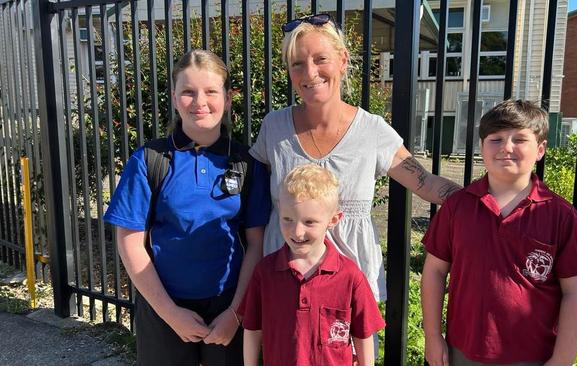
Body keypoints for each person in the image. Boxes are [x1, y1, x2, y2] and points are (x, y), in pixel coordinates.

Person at [250, 13, 461, 303]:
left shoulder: (371, 131)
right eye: (297, 63)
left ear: (343, 60)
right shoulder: (274, 128)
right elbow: (250, 194)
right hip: (285, 282)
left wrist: (484, 202)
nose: (309, 73)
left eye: (320, 59)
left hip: (350, 291)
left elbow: (425, 183)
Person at [103, 49, 271, 365]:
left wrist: (236, 313)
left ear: (228, 97)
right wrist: (171, 314)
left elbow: (256, 244)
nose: (199, 102)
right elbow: (129, 242)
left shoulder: (247, 163)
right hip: (163, 307)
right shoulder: (149, 160)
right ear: (176, 97)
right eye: (188, 92)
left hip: (228, 306)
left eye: (210, 91)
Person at [420, 99, 577, 366]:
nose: (506, 148)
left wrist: (562, 359)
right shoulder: (457, 207)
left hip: (533, 356)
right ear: (482, 147)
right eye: (495, 139)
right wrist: (433, 337)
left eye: (519, 139)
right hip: (463, 351)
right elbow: (434, 272)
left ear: (540, 149)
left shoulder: (559, 215)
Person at [239, 164, 385, 366]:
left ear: (333, 220)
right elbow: (252, 328)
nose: (297, 231)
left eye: (309, 222)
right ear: (279, 212)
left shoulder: (350, 276)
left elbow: (363, 335)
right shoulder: (265, 273)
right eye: (288, 219)